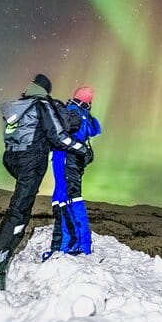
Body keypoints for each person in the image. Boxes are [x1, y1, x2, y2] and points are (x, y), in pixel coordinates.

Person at [0, 74, 87, 290]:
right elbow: (58, 137)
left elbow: (22, 135)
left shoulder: (19, 107)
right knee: (18, 214)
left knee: (19, 210)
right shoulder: (42, 105)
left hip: (13, 160)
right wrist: (82, 149)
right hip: (31, 163)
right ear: (45, 90)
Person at [43, 86, 101, 260]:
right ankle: (68, 244)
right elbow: (90, 130)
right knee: (67, 197)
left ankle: (72, 245)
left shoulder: (72, 112)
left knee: (66, 199)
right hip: (73, 162)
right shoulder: (84, 115)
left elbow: (62, 135)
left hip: (65, 158)